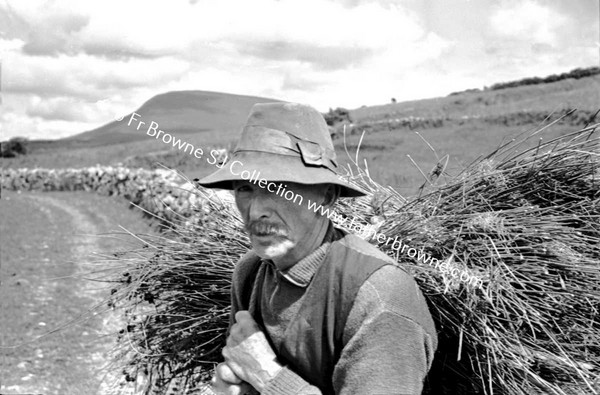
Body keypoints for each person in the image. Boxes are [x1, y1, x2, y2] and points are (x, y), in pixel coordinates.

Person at [197, 102, 437, 394]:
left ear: (326, 196)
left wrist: (269, 378)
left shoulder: (379, 299)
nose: (256, 209)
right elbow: (238, 373)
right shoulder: (249, 274)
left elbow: (256, 376)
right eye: (244, 188)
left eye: (277, 188)